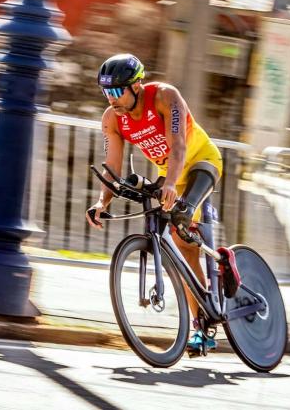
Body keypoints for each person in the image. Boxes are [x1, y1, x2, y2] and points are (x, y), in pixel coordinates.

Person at [85, 53, 223, 355]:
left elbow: (179, 146)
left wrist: (172, 184)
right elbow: (113, 166)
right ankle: (203, 323)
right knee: (182, 247)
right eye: (107, 92)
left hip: (200, 161)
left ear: (136, 86)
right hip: (170, 174)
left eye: (118, 91)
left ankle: (219, 268)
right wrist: (101, 201)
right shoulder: (112, 119)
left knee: (184, 216)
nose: (112, 99)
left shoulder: (164, 97)